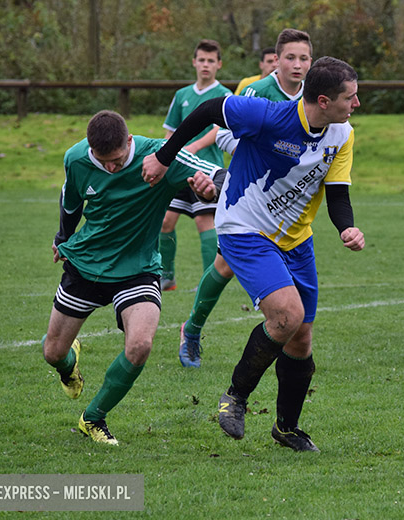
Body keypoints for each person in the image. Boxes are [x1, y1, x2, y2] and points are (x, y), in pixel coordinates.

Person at [142, 56, 364, 452]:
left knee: (301, 338)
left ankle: (286, 428)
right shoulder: (268, 115)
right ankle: (235, 397)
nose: (357, 104)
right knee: (287, 315)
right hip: (244, 228)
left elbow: (338, 194)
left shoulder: (342, 134)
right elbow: (209, 110)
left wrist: (346, 226)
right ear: (325, 100)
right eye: (351, 97)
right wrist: (164, 156)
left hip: (296, 238)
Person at [42, 110, 222, 445]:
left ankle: (93, 418)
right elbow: (70, 203)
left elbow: (213, 180)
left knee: (140, 345)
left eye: (117, 159)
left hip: (138, 267)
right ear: (90, 148)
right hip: (87, 264)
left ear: (129, 141)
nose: (111, 167)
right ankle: (69, 365)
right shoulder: (77, 158)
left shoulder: (161, 155)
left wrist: (206, 191)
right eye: (103, 160)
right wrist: (62, 239)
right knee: (53, 353)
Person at [177, 28, 313, 369]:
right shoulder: (257, 90)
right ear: (275, 61)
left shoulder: (314, 96)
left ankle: (293, 339)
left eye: (304, 58)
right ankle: (191, 330)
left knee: (275, 271)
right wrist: (264, 150)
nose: (297, 65)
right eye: (290, 58)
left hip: (288, 203)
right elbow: (223, 135)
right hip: (247, 197)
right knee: (224, 266)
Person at [159, 39, 232, 292]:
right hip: (179, 169)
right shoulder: (182, 95)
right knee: (165, 221)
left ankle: (209, 280)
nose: (205, 65)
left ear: (219, 65)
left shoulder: (225, 95)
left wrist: (194, 147)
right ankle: (166, 277)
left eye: (211, 61)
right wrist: (166, 158)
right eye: (201, 60)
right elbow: (170, 132)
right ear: (194, 62)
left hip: (207, 169)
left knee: (204, 223)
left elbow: (221, 130)